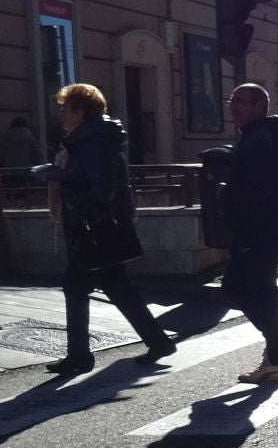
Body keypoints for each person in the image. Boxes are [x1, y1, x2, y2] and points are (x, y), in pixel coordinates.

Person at [33, 84, 176, 372]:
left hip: (92, 226)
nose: (60, 115)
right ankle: (156, 340)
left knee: (76, 287)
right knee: (115, 284)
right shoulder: (90, 137)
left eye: (65, 109)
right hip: (99, 225)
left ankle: (80, 356)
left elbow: (101, 189)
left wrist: (57, 176)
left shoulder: (92, 141)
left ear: (80, 112)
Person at [223, 83, 278, 384]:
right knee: (247, 288)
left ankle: (276, 358)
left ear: (258, 106)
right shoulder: (257, 136)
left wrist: (230, 201)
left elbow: (257, 189)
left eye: (240, 101)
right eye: (232, 101)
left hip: (258, 226)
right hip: (262, 225)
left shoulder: (260, 140)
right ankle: (276, 345)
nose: (233, 106)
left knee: (251, 290)